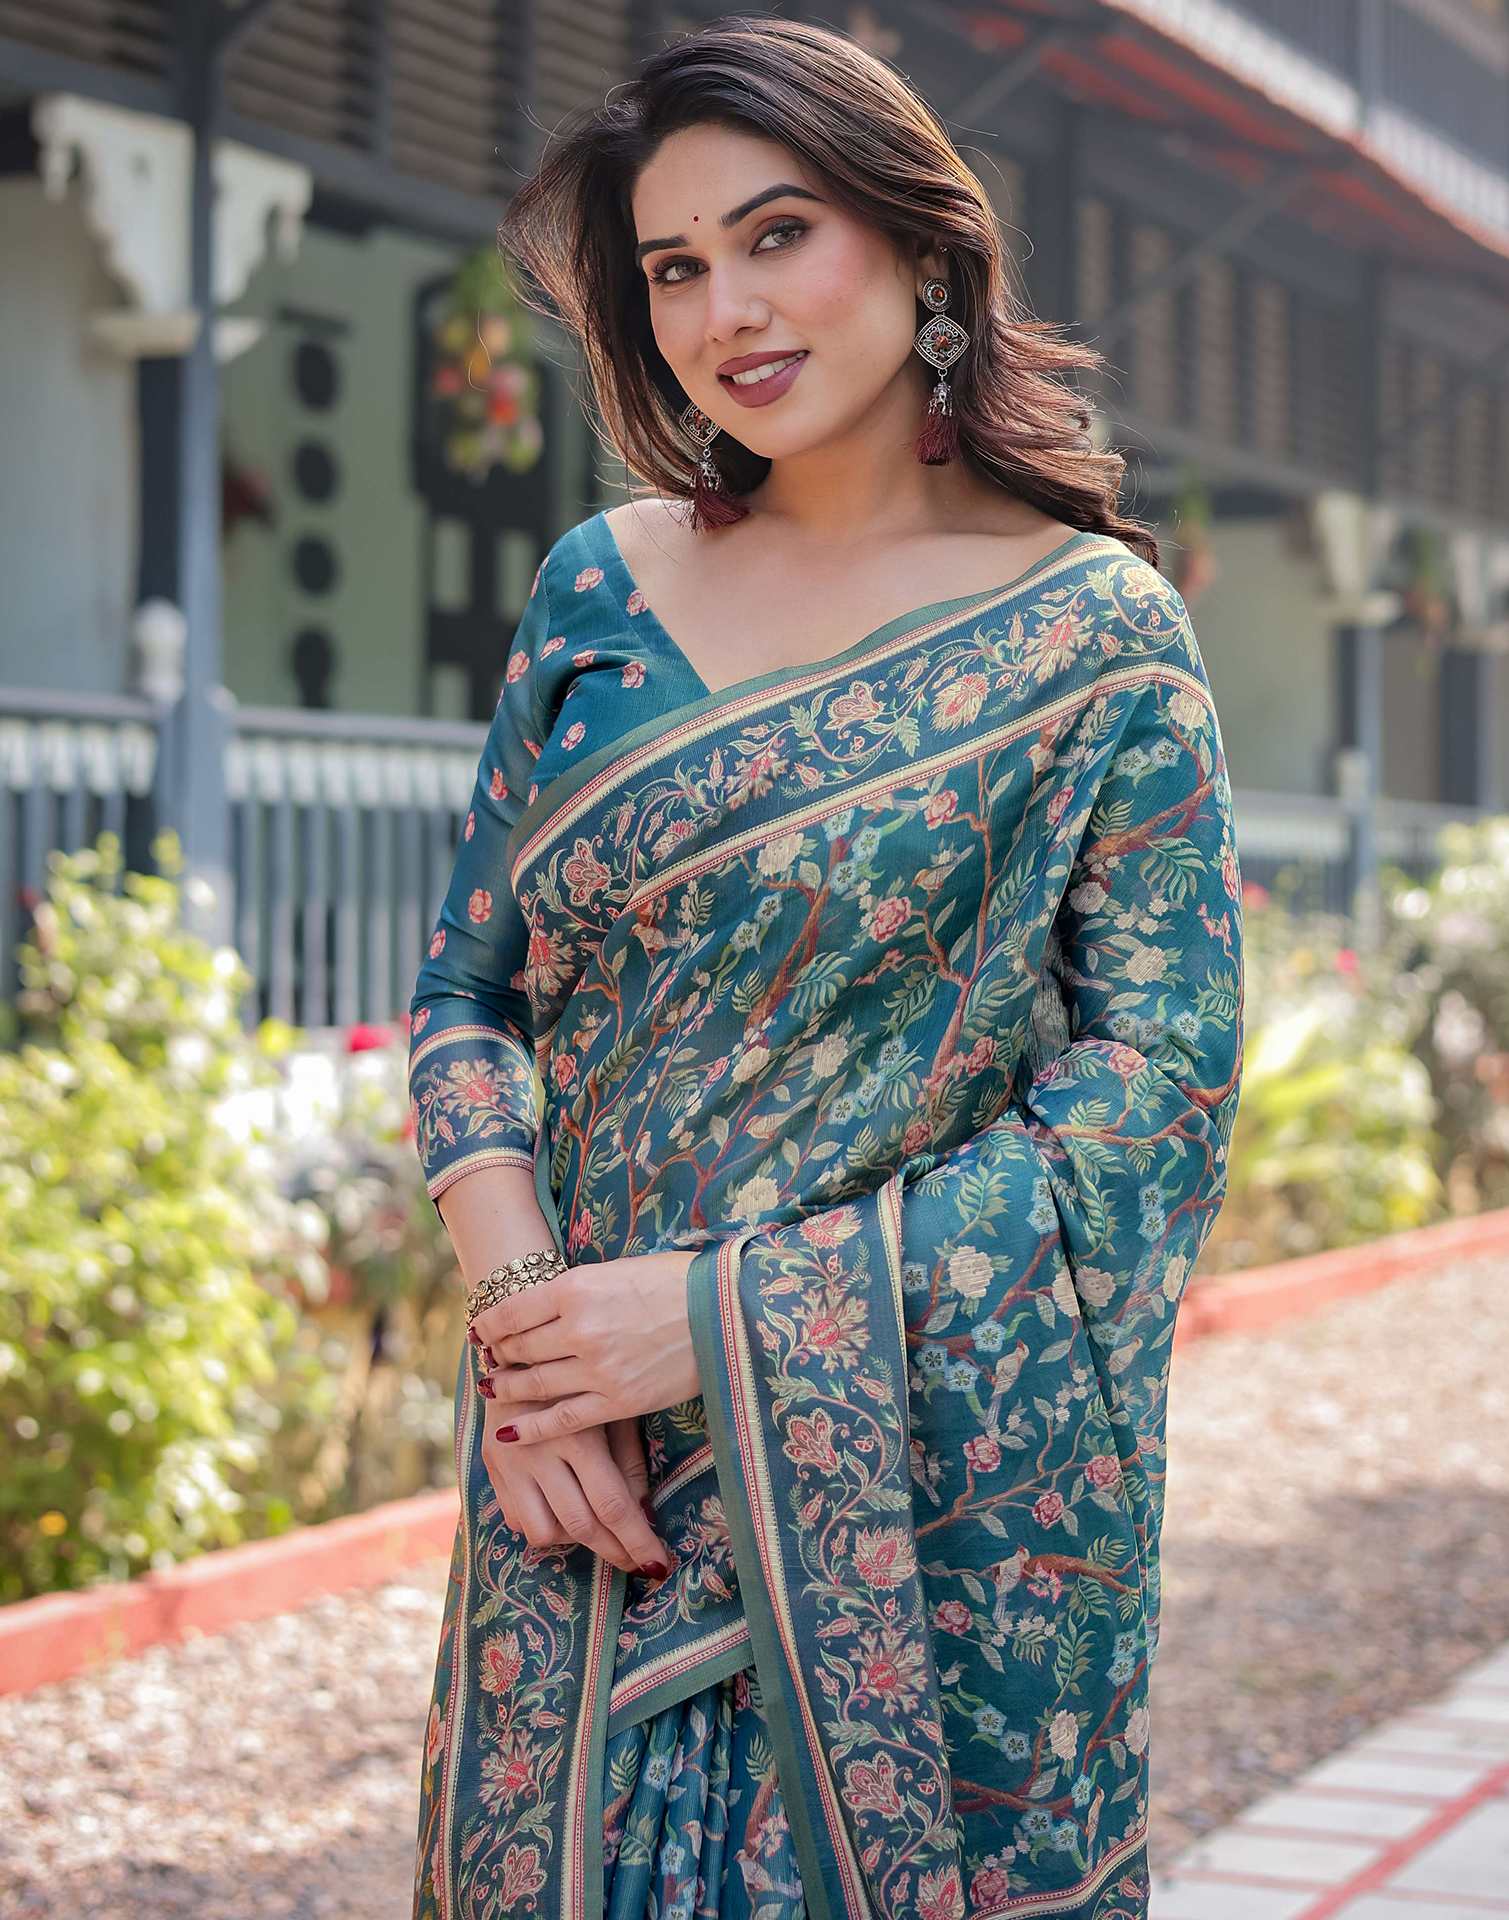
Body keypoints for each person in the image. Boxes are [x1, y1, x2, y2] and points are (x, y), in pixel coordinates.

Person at [406, 16, 1244, 1919]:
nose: (727, 312)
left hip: (924, 1526)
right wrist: (533, 1343)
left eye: (776, 235)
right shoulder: (600, 584)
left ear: (921, 244)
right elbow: (465, 993)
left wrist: (717, 1322)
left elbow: (1154, 1105)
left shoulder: (1096, 639)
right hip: (581, 1480)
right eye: (673, 268)